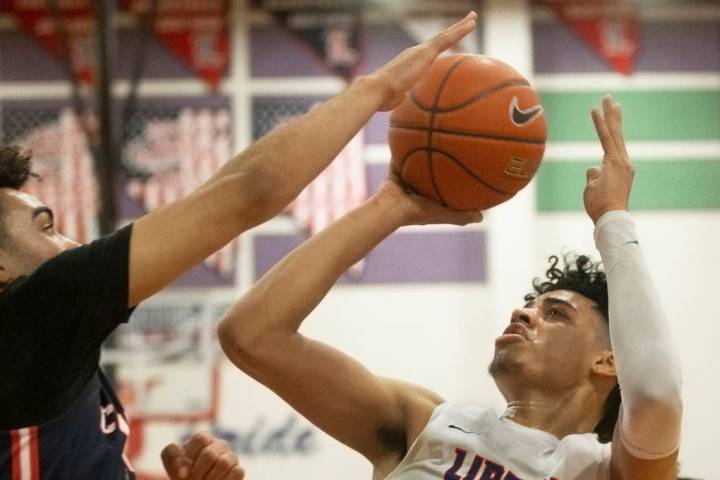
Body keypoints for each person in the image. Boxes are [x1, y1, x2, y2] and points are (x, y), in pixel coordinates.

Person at [0, 11, 479, 479]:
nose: (72, 244)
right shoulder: (25, 324)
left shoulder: (49, 356)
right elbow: (251, 190)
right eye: (46, 229)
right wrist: (376, 89)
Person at [217, 94, 682, 479]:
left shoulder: (608, 472)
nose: (523, 314)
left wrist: (612, 219)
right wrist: (389, 206)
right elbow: (252, 334)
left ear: (609, 361)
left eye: (555, 313)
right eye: (530, 306)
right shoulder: (424, 422)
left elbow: (656, 393)